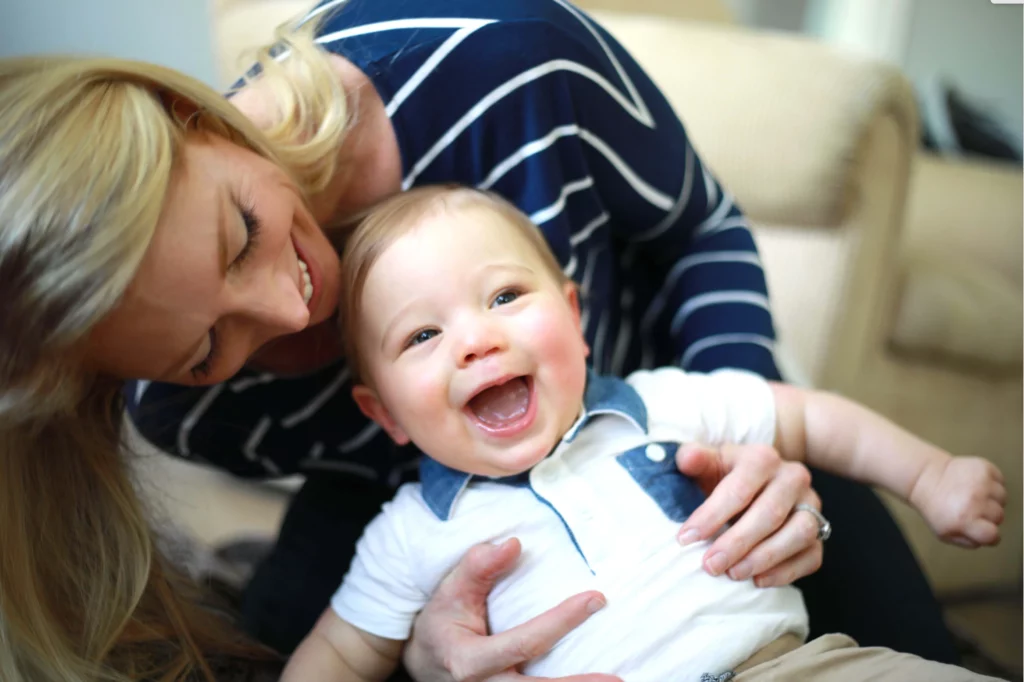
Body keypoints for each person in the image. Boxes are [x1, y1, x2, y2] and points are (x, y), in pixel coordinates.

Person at [0, 0, 954, 679]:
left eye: (241, 233)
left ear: (192, 115)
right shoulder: (177, 409)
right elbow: (373, 501)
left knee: (917, 649)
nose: (294, 317)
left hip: (668, 430)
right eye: (209, 347)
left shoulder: (505, 55)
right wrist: (424, 648)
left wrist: (743, 455)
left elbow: (699, 233)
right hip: (415, 494)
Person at [281, 185, 1006, 682]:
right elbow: (342, 654)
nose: (475, 339)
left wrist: (929, 476)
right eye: (423, 335)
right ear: (387, 416)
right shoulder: (411, 533)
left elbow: (808, 416)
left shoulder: (660, 406)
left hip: (790, 667)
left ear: (575, 318)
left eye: (504, 296)